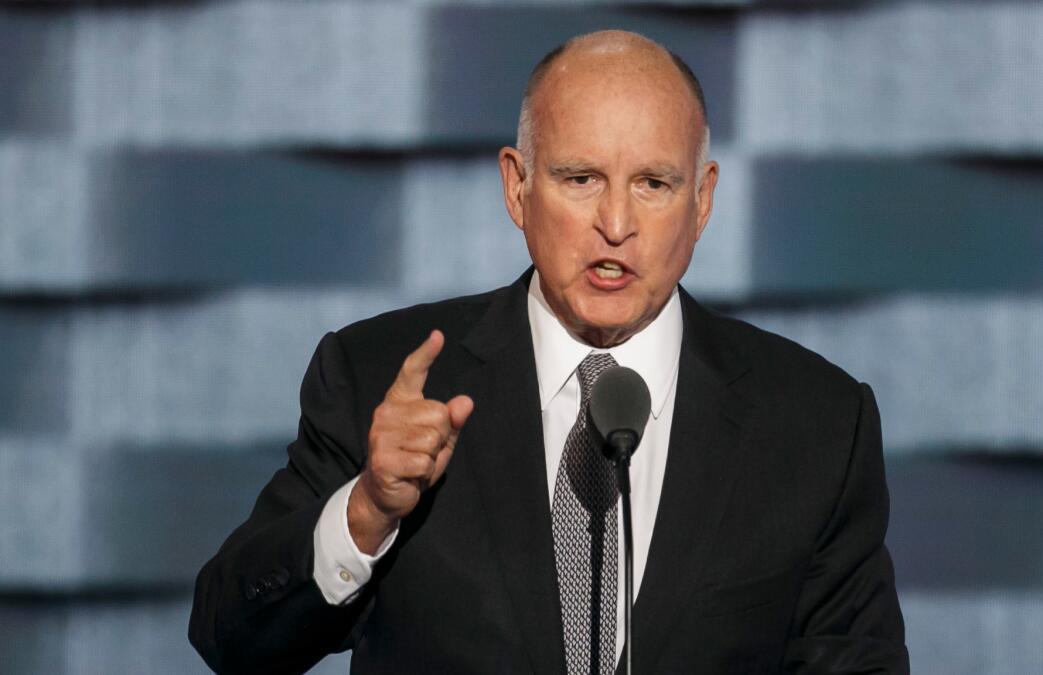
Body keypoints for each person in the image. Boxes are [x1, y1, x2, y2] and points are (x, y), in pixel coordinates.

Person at [189, 30, 907, 674]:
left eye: (654, 184)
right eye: (580, 178)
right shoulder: (381, 378)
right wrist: (368, 510)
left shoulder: (815, 422)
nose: (616, 224)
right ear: (517, 186)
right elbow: (230, 636)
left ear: (703, 201)